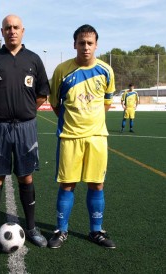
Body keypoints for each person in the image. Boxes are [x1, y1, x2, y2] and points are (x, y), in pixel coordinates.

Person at [0, 14, 50, 250]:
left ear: (23, 31)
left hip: (26, 128)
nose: (12, 31)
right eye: (7, 28)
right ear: (3, 32)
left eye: (16, 27)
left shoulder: (34, 60)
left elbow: (41, 94)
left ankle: (31, 228)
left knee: (26, 176)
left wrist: (26, 110)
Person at [48, 24, 116, 249]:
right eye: (81, 43)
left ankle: (96, 231)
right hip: (69, 137)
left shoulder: (106, 70)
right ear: (74, 44)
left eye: (90, 43)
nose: (85, 47)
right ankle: (61, 230)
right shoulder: (62, 70)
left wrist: (92, 123)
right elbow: (55, 104)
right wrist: (73, 122)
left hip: (97, 137)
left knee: (97, 184)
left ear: (96, 45)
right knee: (67, 184)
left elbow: (107, 102)